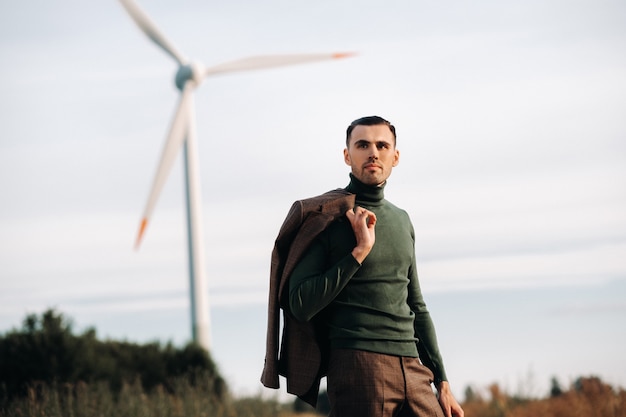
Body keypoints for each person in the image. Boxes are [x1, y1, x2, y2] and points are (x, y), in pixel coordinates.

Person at [261, 116, 464, 417]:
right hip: (359, 365)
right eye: (363, 145)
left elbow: (417, 305)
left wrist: (443, 381)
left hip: (414, 367)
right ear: (347, 155)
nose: (373, 152)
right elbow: (299, 303)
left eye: (382, 145)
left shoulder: (402, 219)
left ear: (395, 157)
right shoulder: (325, 218)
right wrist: (358, 253)